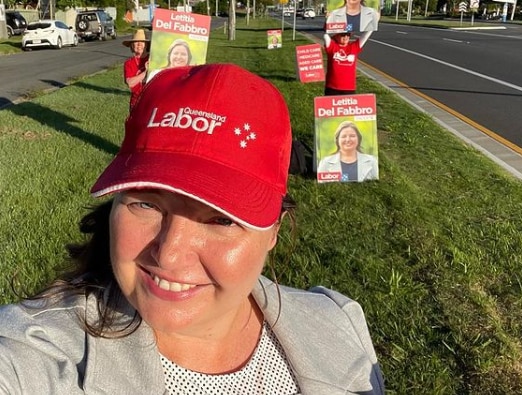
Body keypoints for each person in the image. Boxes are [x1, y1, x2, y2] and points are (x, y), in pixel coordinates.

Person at [0, 64, 385, 394]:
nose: (169, 253)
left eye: (221, 219)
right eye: (146, 203)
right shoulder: (38, 350)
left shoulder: (339, 320)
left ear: (273, 231)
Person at [323, 30, 372, 95]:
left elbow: (366, 36)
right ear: (336, 35)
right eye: (343, 34)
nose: (346, 36)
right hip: (332, 87)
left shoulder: (354, 47)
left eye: (348, 34)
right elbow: (325, 35)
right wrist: (330, 25)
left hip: (349, 88)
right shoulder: (332, 46)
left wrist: (373, 22)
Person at [122, 29, 150, 111]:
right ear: (132, 46)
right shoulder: (129, 63)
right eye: (136, 42)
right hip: (136, 103)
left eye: (142, 42)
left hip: (151, 102)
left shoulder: (153, 59)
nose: (139, 44)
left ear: (147, 45)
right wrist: (146, 72)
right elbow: (130, 83)